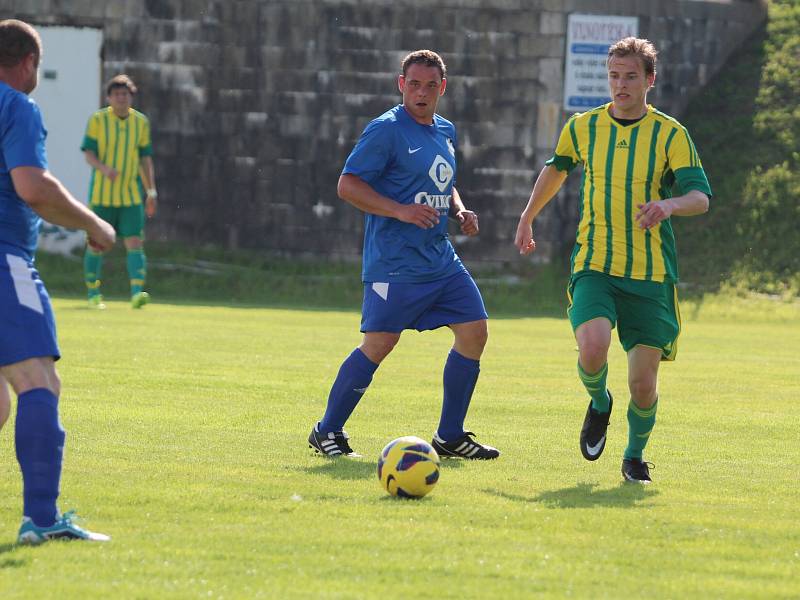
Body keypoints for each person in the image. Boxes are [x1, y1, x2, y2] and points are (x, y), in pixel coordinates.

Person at [514, 37, 711, 483]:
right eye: (614, 76)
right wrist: (527, 217)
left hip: (650, 274)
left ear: (649, 80)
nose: (620, 85)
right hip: (595, 264)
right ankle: (599, 402)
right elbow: (556, 168)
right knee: (593, 347)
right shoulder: (583, 127)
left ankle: (635, 455)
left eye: (630, 77)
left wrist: (668, 205)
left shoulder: (670, 134)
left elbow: (700, 198)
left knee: (642, 386)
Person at [307, 50, 499, 460]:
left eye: (431, 85)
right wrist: (401, 210)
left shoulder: (445, 130)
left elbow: (443, 181)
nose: (422, 92)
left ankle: (449, 436)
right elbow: (347, 185)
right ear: (401, 84)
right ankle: (327, 431)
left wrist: (458, 209)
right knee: (379, 344)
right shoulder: (386, 130)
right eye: (414, 84)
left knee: (475, 331)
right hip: (394, 262)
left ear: (442, 88)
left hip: (440, 259)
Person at [0, 19, 115, 543]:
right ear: (28, 62)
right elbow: (33, 186)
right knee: (38, 384)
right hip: (5, 260)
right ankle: (43, 519)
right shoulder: (16, 105)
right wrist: (93, 223)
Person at [81, 73, 157, 309]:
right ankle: (93, 293)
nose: (121, 98)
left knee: (134, 242)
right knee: (96, 243)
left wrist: (151, 192)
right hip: (102, 196)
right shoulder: (97, 120)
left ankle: (136, 293)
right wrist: (104, 168)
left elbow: (145, 159)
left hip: (130, 196)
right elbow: (88, 153)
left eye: (125, 94)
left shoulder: (141, 122)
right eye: (116, 94)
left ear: (131, 97)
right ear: (109, 98)